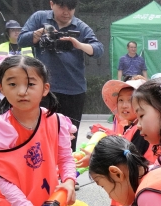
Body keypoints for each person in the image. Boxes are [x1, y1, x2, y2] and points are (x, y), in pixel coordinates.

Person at [0, 55, 76, 206]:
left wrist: (69, 181)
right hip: (6, 200)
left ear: (45, 88)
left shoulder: (57, 121)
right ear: (2, 89)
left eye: (31, 84)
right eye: (12, 84)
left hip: (44, 195)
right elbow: (2, 180)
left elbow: (65, 158)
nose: (21, 91)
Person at [18, 0, 104, 150]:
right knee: (40, 133)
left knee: (69, 136)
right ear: (52, 4)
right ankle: (41, 169)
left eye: (71, 8)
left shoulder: (80, 27)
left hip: (73, 90)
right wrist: (38, 34)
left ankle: (65, 171)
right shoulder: (40, 18)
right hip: (44, 89)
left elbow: (98, 50)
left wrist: (78, 44)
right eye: (62, 7)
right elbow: (21, 40)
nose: (66, 12)